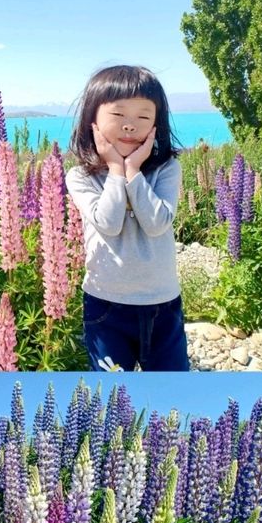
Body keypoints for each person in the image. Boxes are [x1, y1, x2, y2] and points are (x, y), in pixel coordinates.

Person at [66, 65, 189, 372]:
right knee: (109, 395)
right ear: (92, 121)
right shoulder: (81, 176)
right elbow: (108, 222)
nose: (130, 126)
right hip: (105, 305)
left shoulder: (166, 169)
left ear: (156, 126)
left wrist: (133, 170)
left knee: (170, 389)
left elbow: (157, 222)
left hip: (163, 304)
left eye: (143, 117)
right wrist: (116, 170)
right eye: (118, 116)